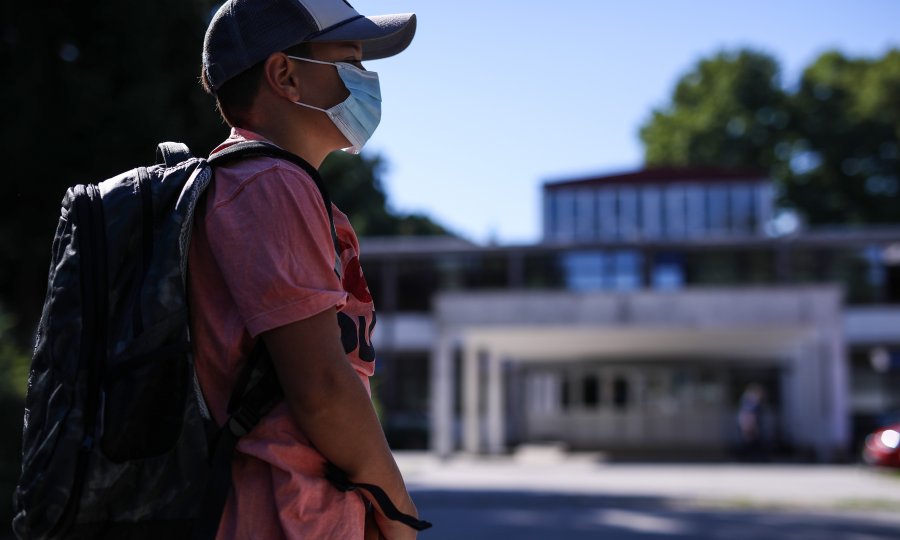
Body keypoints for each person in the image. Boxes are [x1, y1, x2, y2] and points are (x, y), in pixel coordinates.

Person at [189, 1, 420, 538]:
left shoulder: (275, 184)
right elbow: (321, 387)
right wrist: (399, 514)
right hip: (280, 517)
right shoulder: (269, 183)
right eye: (350, 62)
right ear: (286, 75)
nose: (366, 81)